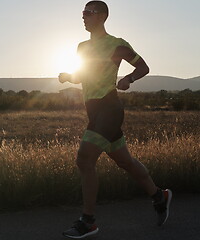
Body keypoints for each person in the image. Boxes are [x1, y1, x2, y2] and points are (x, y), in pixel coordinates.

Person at [59, 1, 172, 239]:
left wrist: (129, 78)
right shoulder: (82, 47)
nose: (83, 17)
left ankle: (88, 221)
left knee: (84, 159)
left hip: (109, 109)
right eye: (82, 13)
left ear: (101, 16)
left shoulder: (117, 45)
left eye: (87, 13)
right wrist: (69, 76)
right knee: (126, 162)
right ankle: (159, 196)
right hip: (94, 110)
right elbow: (84, 74)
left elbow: (143, 66)